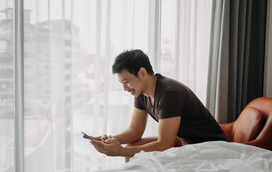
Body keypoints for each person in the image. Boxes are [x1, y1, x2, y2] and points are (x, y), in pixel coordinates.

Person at [89, 49, 225, 161]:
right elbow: (135, 131)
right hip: (183, 141)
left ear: (142, 73)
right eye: (122, 83)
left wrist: (120, 151)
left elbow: (164, 144)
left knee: (129, 151)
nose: (125, 88)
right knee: (132, 146)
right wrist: (108, 140)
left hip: (206, 145)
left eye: (126, 81)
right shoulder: (141, 93)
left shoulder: (169, 93)